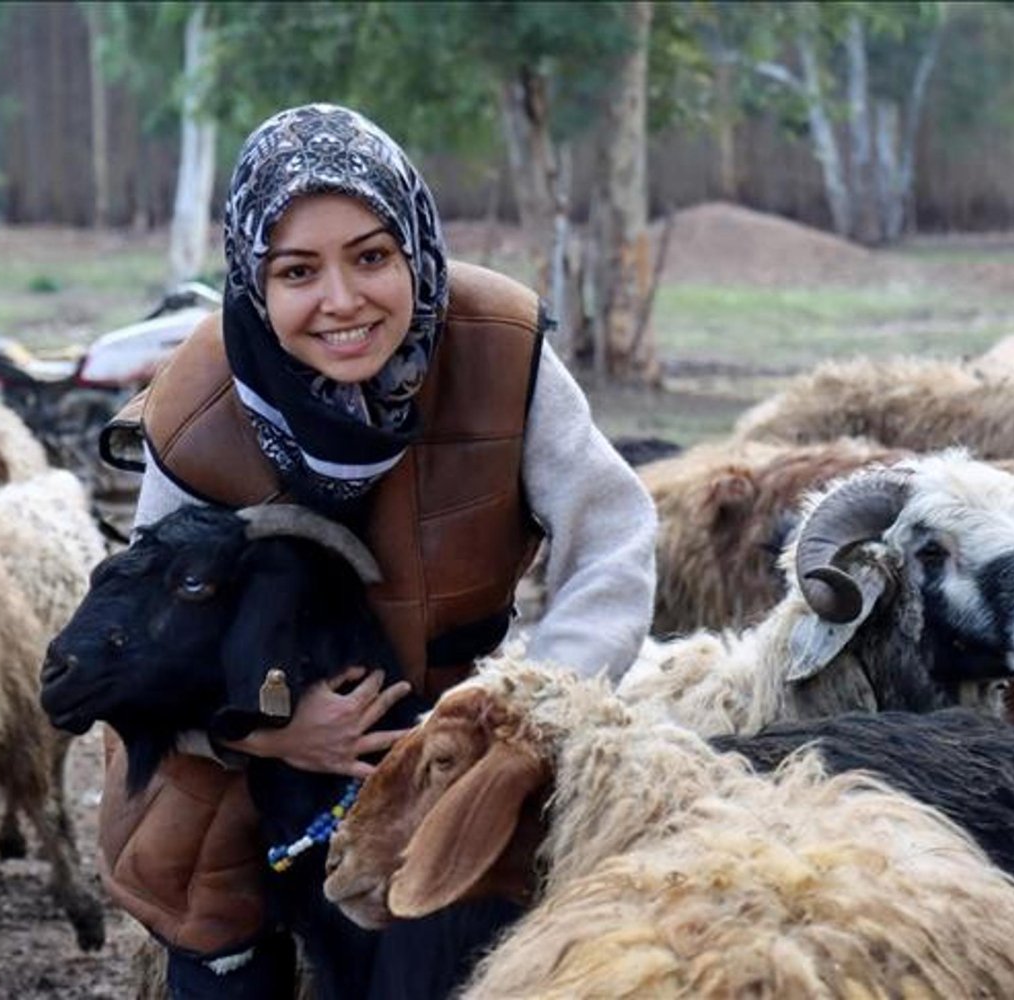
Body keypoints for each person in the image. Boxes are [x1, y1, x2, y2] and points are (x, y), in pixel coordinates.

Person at [96, 103, 657, 998]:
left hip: (455, 745)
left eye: (370, 257)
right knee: (222, 952)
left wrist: (528, 710)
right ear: (252, 278)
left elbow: (614, 536)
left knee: (466, 960)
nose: (343, 300)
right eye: (298, 271)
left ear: (414, 249)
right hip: (248, 761)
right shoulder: (200, 403)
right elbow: (142, 633)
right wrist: (267, 729)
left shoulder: (496, 346)